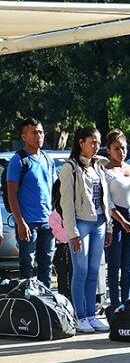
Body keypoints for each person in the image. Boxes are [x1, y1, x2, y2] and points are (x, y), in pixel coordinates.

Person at [60, 126, 112, 333]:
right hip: (81, 223)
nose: (96, 146)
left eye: (98, 142)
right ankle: (80, 316)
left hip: (99, 222)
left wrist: (108, 226)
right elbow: (67, 204)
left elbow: (106, 198)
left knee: (93, 271)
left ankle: (91, 314)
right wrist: (72, 233)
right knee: (80, 270)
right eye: (92, 142)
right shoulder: (70, 168)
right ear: (81, 142)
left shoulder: (99, 166)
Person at [6, 118, 56, 288]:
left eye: (41, 132)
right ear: (24, 137)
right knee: (27, 268)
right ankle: (27, 308)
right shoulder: (18, 161)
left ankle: (47, 306)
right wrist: (20, 222)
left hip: (48, 224)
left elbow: (54, 192)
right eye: (34, 133)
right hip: (28, 224)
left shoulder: (48, 160)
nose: (39, 136)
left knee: (46, 267)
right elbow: (12, 195)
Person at [104, 130, 130, 308]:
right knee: (114, 265)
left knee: (128, 265)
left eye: (123, 148)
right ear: (109, 151)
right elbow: (108, 202)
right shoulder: (107, 172)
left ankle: (126, 302)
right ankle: (115, 303)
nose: (121, 152)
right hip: (115, 220)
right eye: (117, 149)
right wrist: (122, 222)